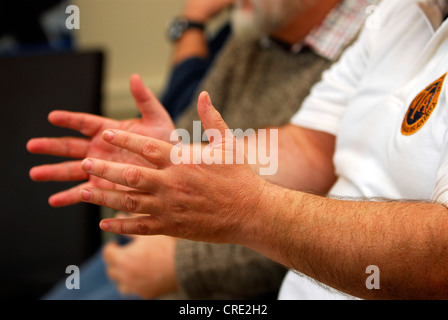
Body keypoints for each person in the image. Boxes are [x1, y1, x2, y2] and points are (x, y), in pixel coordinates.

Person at [33, 0, 448, 300]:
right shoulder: (402, 13)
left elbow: (439, 260)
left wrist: (250, 211)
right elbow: (310, 148)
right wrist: (176, 155)